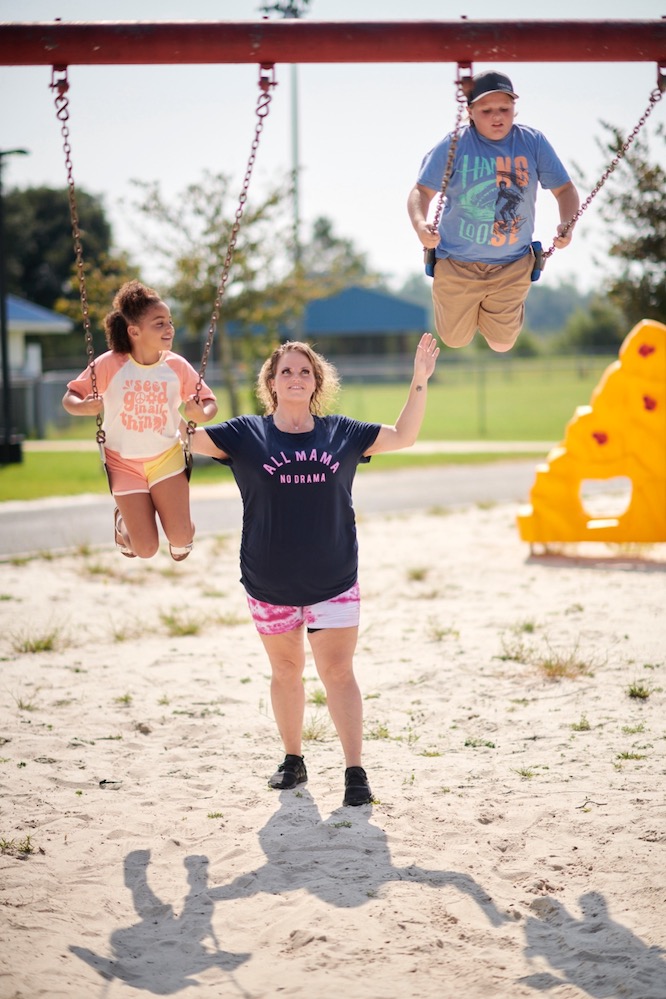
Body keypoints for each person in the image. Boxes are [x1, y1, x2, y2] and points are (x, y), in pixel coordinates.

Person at [187, 333, 439, 806]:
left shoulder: (341, 432)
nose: (296, 377)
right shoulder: (245, 435)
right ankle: (293, 759)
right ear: (272, 383)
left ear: (317, 381)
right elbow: (183, 437)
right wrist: (175, 394)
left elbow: (404, 436)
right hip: (269, 581)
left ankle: (355, 772)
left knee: (339, 673)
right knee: (286, 671)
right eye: (287, 371)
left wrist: (418, 380)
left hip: (334, 580)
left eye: (305, 371)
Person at [407, 70, 580, 353]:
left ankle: (495, 307)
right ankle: (467, 303)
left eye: (504, 109)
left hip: (511, 264)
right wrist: (420, 225)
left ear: (514, 109)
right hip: (457, 262)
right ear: (471, 111)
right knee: (455, 339)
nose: (497, 116)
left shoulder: (532, 142)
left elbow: (565, 190)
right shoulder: (455, 145)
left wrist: (566, 224)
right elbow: (421, 191)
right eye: (487, 110)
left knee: (502, 344)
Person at [63, 280, 217, 560]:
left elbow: (209, 403)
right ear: (134, 331)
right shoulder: (110, 364)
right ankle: (123, 521)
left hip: (166, 458)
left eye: (169, 321)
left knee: (182, 541)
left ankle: (173, 525)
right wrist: (84, 407)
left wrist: (200, 414)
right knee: (145, 549)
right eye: (159, 323)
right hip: (123, 464)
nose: (169, 328)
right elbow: (70, 397)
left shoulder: (176, 366)